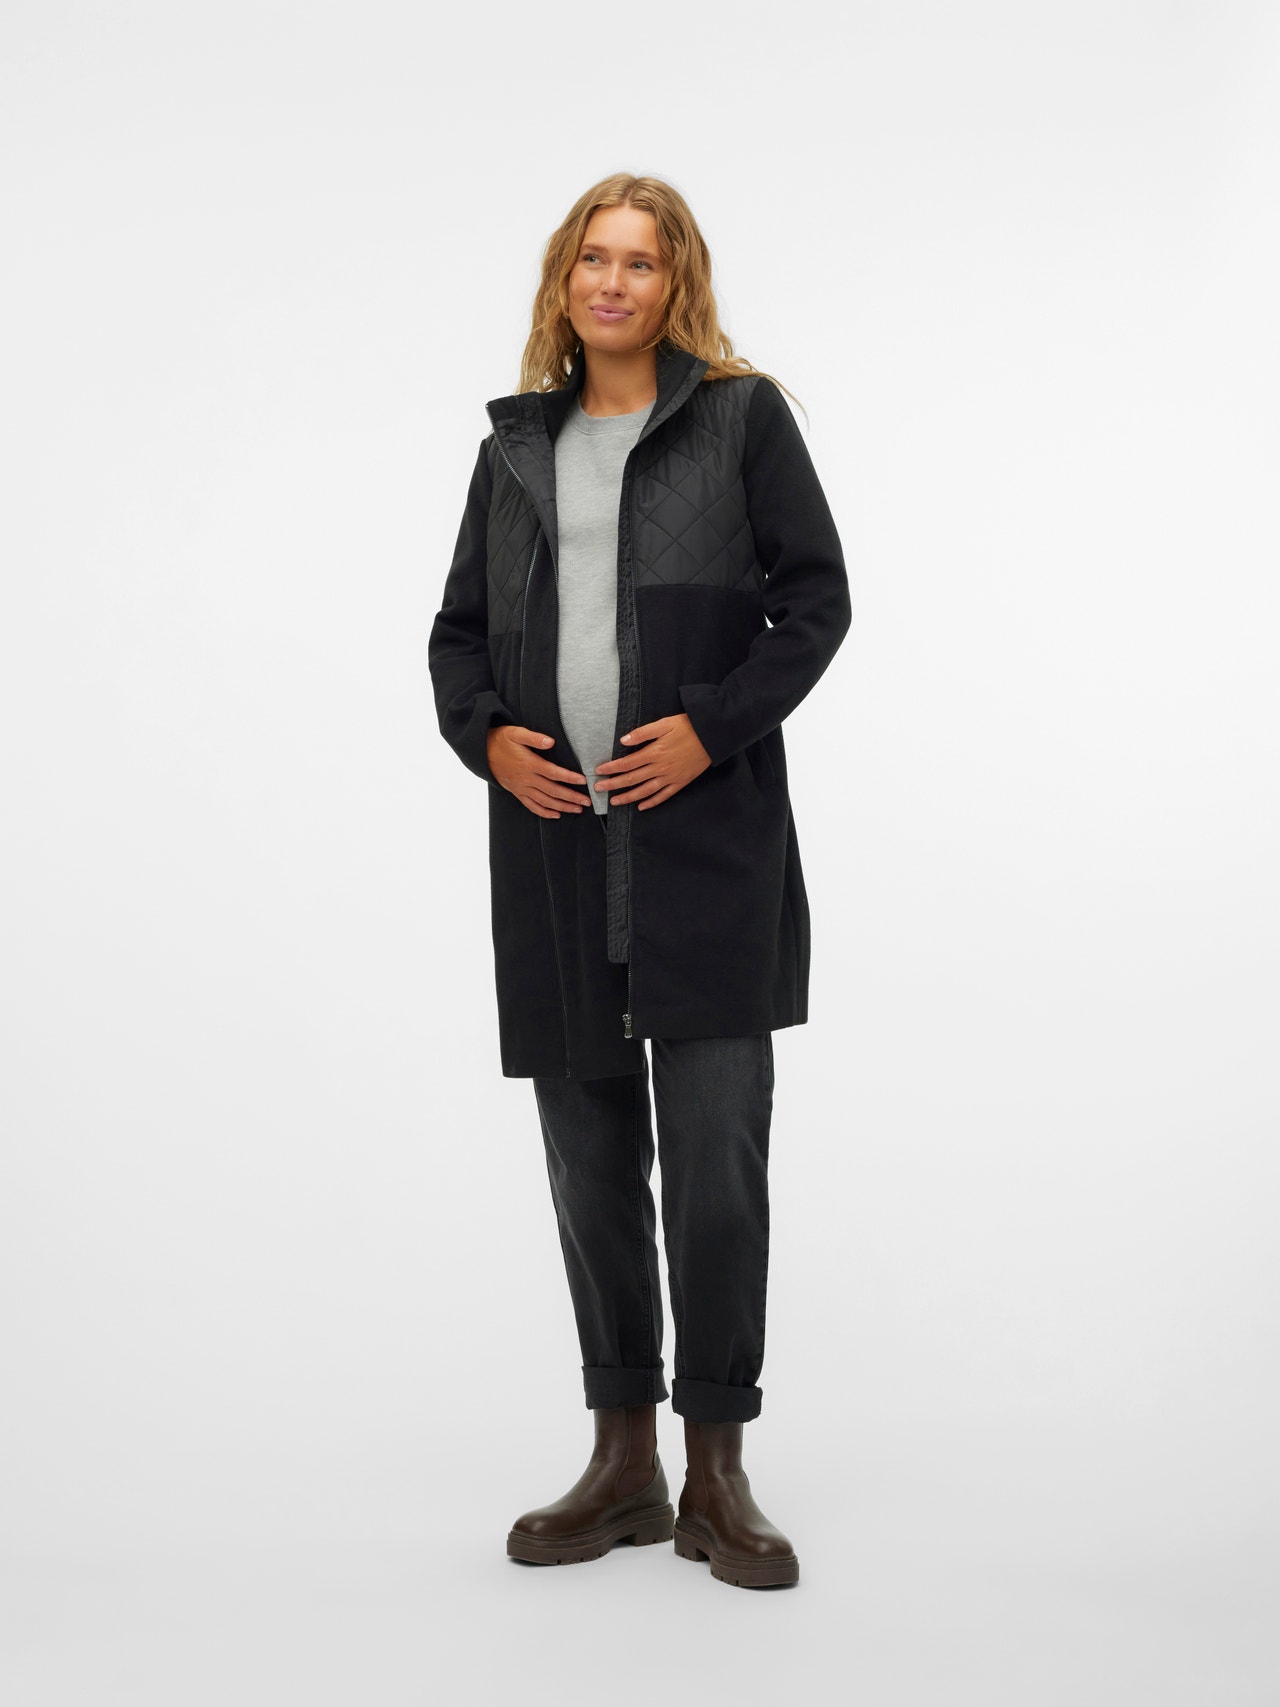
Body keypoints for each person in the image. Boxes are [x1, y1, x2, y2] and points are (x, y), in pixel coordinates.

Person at [428, 172, 850, 1589]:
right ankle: (624, 1464)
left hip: (706, 852)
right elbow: (457, 636)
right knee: (591, 1168)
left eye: (643, 263)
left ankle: (718, 1470)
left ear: (679, 287)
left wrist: (711, 728)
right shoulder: (513, 452)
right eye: (594, 260)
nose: (614, 283)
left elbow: (816, 601)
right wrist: (491, 737)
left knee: (717, 1166)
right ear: (565, 279)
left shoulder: (739, 418)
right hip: (556, 858)